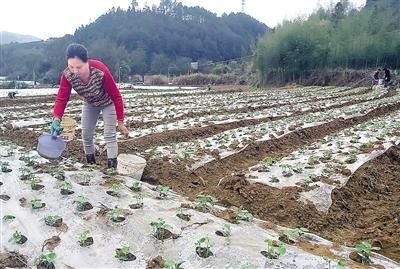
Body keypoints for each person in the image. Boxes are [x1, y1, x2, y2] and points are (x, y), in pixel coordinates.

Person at [50, 43, 129, 169]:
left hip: (108, 103)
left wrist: (120, 122)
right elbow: (62, 98)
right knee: (86, 135)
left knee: (109, 135)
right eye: (71, 66)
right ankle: (91, 166)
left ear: (87, 62)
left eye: (79, 67)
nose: (75, 71)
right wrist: (56, 118)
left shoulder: (100, 71)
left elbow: (116, 96)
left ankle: (112, 169)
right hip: (90, 103)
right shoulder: (67, 75)